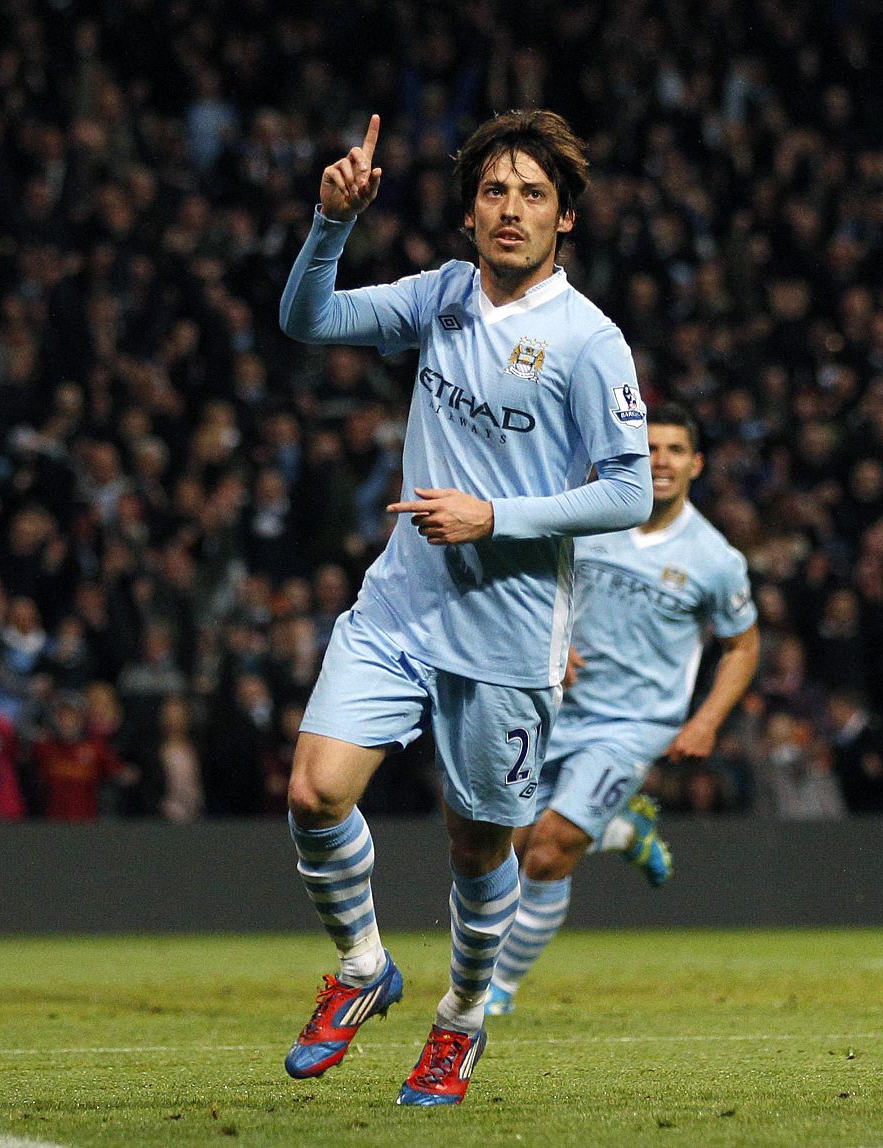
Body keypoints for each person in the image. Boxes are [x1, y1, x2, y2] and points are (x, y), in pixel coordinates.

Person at [277, 110, 652, 1105]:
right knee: (316, 791)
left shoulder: (589, 341)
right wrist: (329, 224)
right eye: (494, 191)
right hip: (401, 605)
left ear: (564, 217)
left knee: (476, 844)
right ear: (468, 211)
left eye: (532, 194)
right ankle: (363, 968)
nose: (510, 209)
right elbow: (306, 321)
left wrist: (493, 513)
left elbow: (628, 490)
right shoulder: (442, 296)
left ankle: (460, 1019)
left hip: (508, 632)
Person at [486, 404, 760, 1016]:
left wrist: (707, 720)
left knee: (549, 848)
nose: (661, 461)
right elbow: (531, 584)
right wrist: (548, 646)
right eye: (651, 447)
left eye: (675, 450)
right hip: (551, 706)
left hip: (633, 725)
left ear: (696, 464)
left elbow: (742, 645)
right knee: (510, 843)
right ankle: (621, 829)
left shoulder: (714, 558)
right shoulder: (590, 515)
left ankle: (497, 990)